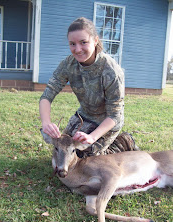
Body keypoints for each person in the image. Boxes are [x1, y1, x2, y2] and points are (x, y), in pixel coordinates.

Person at [39, 17, 137, 157]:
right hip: (84, 115)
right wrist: (46, 122)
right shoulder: (68, 64)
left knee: (82, 156)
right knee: (63, 147)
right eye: (72, 44)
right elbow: (47, 96)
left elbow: (114, 115)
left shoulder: (112, 71)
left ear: (95, 40)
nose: (78, 49)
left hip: (107, 122)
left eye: (83, 42)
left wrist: (92, 137)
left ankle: (124, 142)